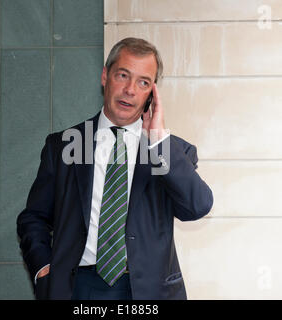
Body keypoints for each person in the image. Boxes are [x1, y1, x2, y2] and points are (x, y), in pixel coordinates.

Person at [17, 37, 213, 300]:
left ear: (152, 93)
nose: (130, 89)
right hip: (78, 288)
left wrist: (158, 141)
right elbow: (34, 218)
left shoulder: (170, 151)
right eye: (123, 75)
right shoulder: (63, 145)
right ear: (105, 76)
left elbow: (196, 207)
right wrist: (43, 269)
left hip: (148, 291)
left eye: (143, 82)